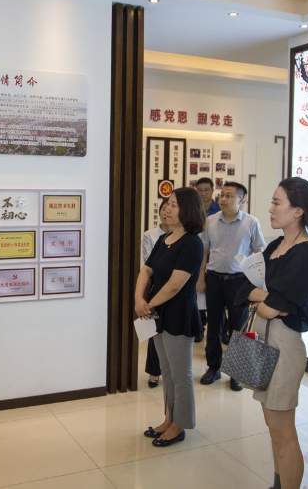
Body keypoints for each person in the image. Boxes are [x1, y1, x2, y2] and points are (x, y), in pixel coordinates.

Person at [236, 177, 308, 489]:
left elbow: (268, 306)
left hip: (284, 345)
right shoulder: (277, 245)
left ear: (298, 211)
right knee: (272, 425)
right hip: (265, 339)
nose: (271, 208)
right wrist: (268, 299)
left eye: (277, 203)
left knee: (283, 431)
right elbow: (244, 287)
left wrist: (265, 300)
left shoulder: (306, 254)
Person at [134, 188, 205, 447]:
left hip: (178, 314)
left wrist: (148, 305)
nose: (167, 209)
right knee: (166, 370)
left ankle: (179, 425)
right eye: (167, 204)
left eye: (174, 205)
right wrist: (138, 299)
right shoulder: (164, 239)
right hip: (157, 312)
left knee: (180, 374)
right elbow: (146, 270)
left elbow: (175, 285)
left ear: (188, 210)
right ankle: (168, 418)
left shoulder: (192, 243)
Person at [198, 182, 265, 390]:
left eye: (229, 196)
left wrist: (257, 284)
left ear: (241, 201)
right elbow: (205, 252)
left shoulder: (251, 222)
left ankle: (236, 372)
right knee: (214, 325)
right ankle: (214, 367)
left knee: (238, 327)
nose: (223, 199)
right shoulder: (210, 221)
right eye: (222, 195)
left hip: (239, 282)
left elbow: (258, 253)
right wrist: (201, 279)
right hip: (214, 279)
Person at [141, 199, 171, 388]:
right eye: (164, 208)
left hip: (177, 290)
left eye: (172, 208)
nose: (167, 212)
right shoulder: (151, 235)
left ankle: (170, 370)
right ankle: (154, 371)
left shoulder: (187, 238)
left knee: (173, 334)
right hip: (157, 287)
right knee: (155, 331)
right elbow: (149, 263)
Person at [194, 177, 219, 342]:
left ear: (212, 190)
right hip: (196, 252)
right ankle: (199, 325)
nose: (203, 193)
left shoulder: (219, 210)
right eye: (200, 190)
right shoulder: (193, 209)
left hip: (213, 255)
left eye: (206, 190)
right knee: (197, 291)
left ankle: (219, 328)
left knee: (214, 295)